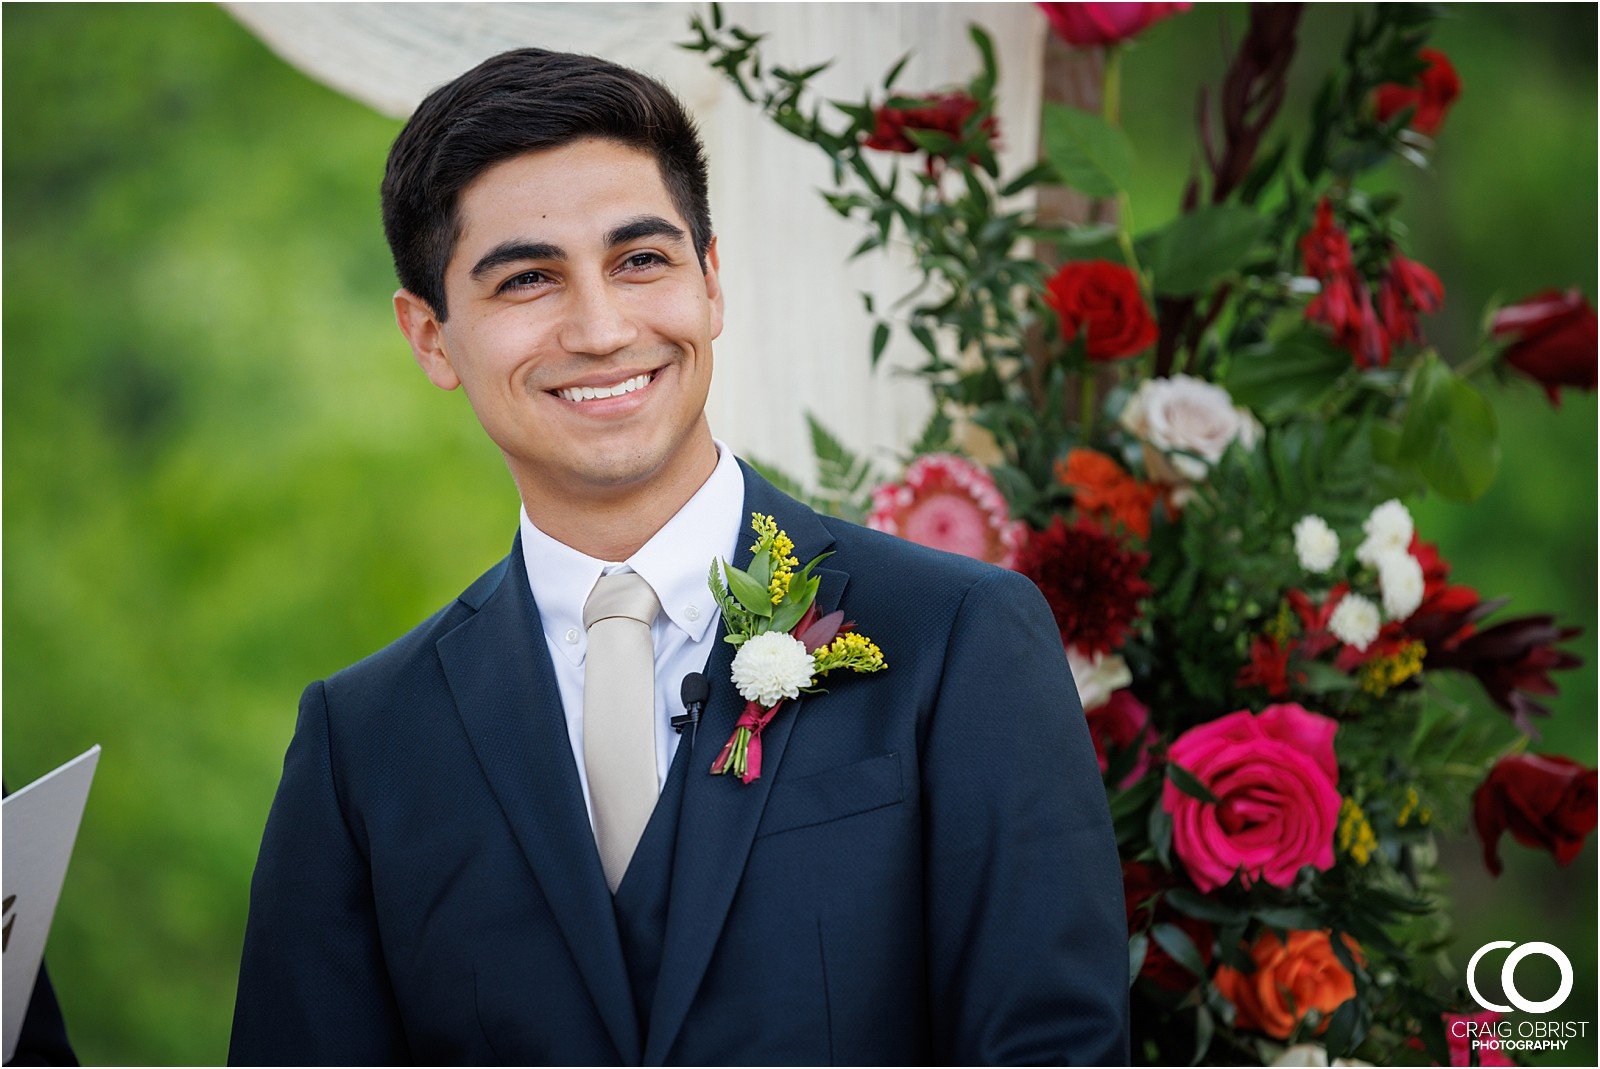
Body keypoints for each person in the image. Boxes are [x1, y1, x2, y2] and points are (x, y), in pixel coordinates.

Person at [229, 47, 1127, 1066]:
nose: (602, 327)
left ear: (709, 279)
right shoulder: (364, 743)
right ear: (431, 336)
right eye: (528, 278)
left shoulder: (958, 637)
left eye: (640, 260)